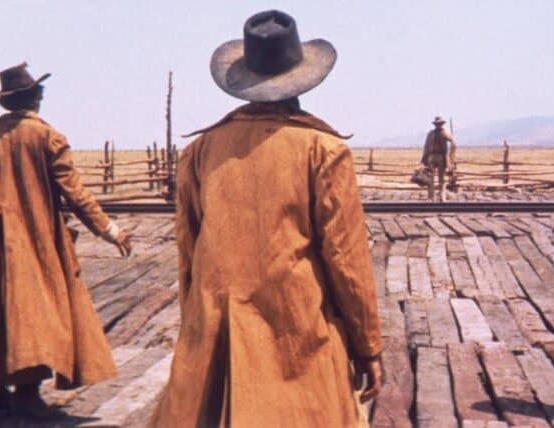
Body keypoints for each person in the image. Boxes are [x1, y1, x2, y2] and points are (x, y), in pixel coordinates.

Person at [149, 10, 383, 427]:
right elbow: (347, 260)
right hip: (297, 333)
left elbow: (189, 248)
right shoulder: (322, 150)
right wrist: (367, 346)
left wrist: (196, 330)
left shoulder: (202, 150)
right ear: (301, 80)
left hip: (217, 328)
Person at [0, 63, 132, 418]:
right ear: (35, 98)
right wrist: (110, 230)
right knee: (34, 308)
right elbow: (74, 193)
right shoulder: (47, 137)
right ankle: (27, 390)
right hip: (35, 239)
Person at [420, 116, 455, 201]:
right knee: (441, 178)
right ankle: (441, 197)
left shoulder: (430, 133)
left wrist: (424, 159)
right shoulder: (443, 133)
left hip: (431, 157)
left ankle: (432, 198)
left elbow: (426, 147)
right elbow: (451, 139)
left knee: (431, 178)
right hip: (440, 157)